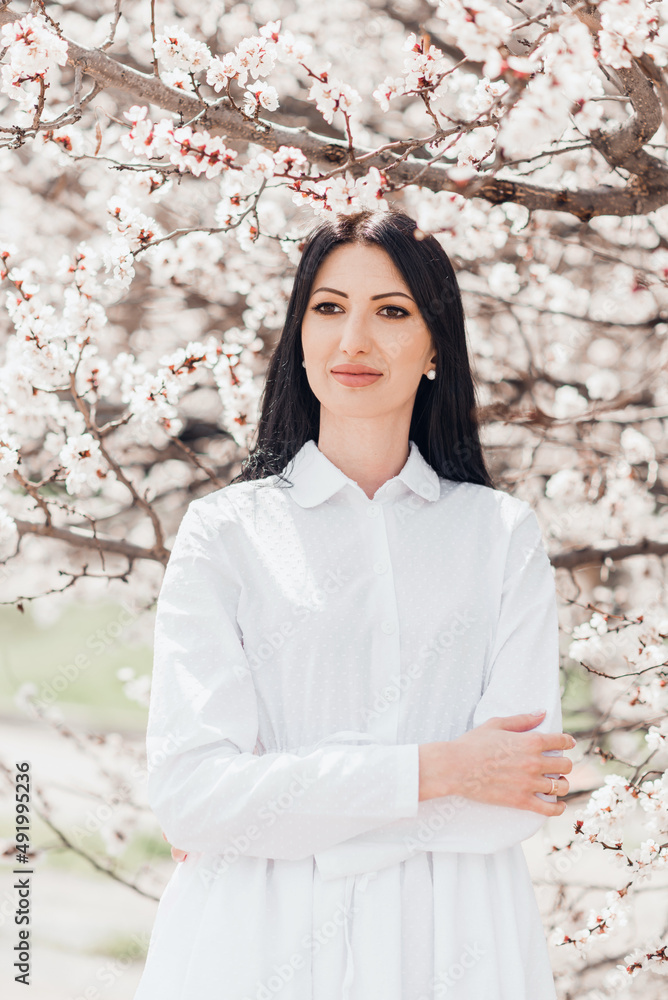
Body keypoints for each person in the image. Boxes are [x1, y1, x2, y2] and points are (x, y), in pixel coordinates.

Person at [133, 208, 575, 1000]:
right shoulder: (227, 536)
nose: (353, 342)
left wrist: (280, 806)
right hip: (257, 948)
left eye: (392, 312)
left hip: (453, 946)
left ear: (437, 342)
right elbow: (194, 797)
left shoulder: (498, 537)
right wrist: (439, 768)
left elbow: (513, 801)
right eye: (329, 308)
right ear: (298, 335)